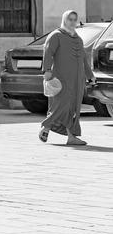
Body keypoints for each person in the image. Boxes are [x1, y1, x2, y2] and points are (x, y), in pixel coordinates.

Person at [40, 9, 95, 146]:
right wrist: (47, 70)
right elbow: (48, 52)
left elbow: (84, 60)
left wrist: (90, 75)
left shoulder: (78, 39)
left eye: (74, 19)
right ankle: (46, 127)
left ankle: (71, 137)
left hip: (77, 80)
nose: (72, 22)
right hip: (61, 78)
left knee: (73, 108)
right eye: (70, 19)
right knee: (60, 105)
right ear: (64, 20)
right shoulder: (56, 35)